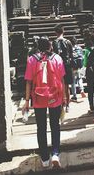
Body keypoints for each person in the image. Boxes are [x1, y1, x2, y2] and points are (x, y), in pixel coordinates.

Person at [22, 36, 66, 168]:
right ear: (50, 46)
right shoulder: (57, 58)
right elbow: (62, 80)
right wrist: (64, 97)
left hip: (38, 98)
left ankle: (45, 158)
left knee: (41, 128)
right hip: (55, 97)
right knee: (55, 126)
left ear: (38, 47)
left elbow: (28, 81)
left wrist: (27, 101)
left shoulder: (31, 60)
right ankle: (55, 153)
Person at [53, 24, 73, 112]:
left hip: (57, 66)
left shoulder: (54, 42)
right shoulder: (68, 42)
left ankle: (61, 104)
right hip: (67, 65)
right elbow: (71, 55)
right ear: (63, 31)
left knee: (59, 86)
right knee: (67, 86)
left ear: (55, 32)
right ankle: (68, 105)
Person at [70, 37, 86, 102]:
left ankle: (74, 96)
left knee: (73, 81)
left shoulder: (70, 49)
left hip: (72, 67)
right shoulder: (79, 48)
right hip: (79, 66)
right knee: (79, 79)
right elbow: (82, 56)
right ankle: (82, 90)